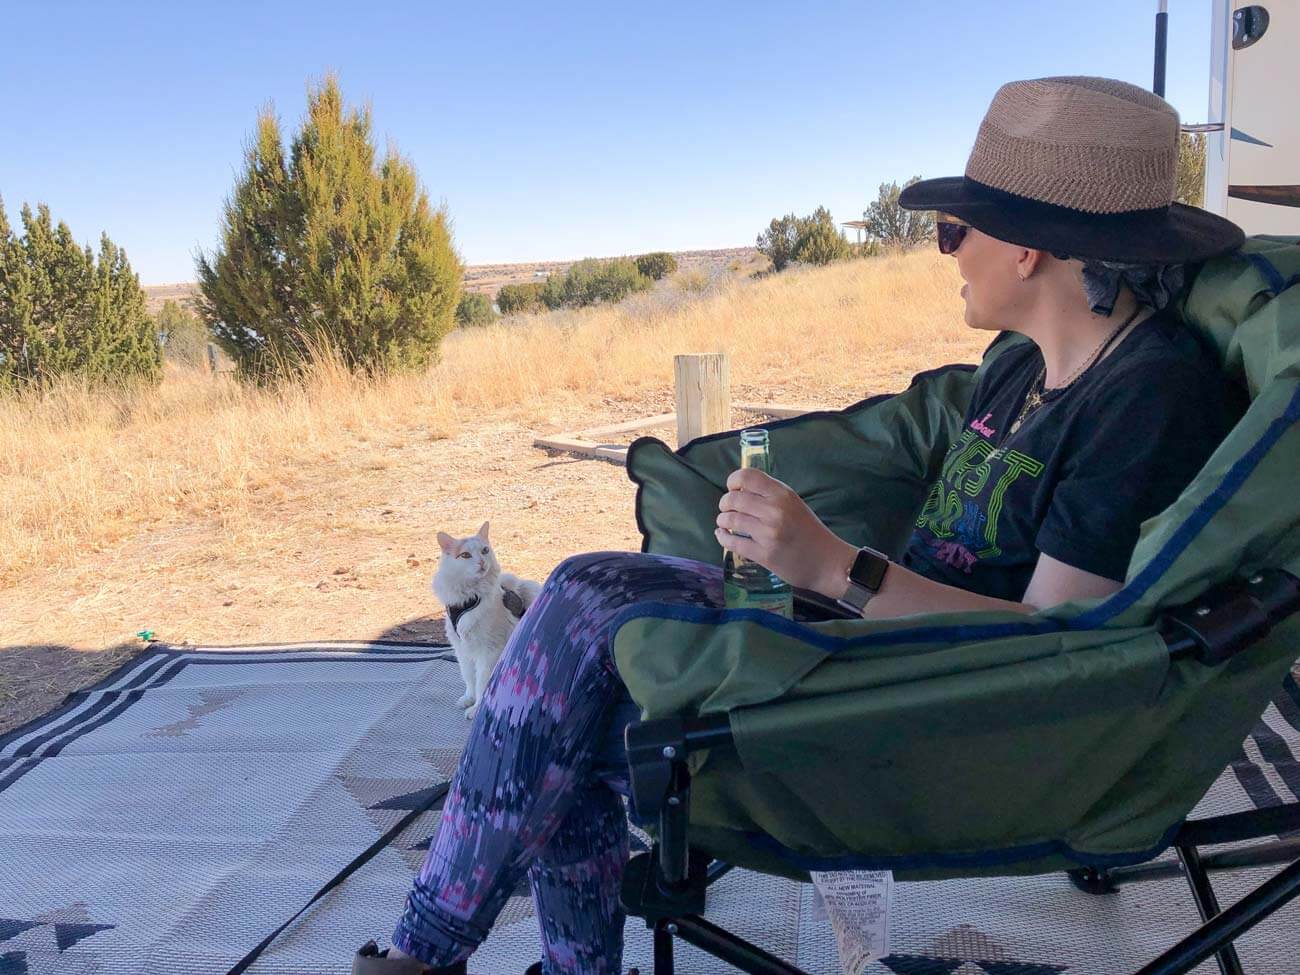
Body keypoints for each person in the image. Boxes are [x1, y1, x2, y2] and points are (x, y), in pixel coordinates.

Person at [352, 76, 1246, 975]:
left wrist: (831, 567)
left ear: (1024, 248)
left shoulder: (1149, 399)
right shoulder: (1023, 366)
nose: (947, 253)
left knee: (583, 608)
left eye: (954, 230)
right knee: (579, 673)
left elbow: (1056, 653)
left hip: (939, 712)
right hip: (859, 649)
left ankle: (423, 954)